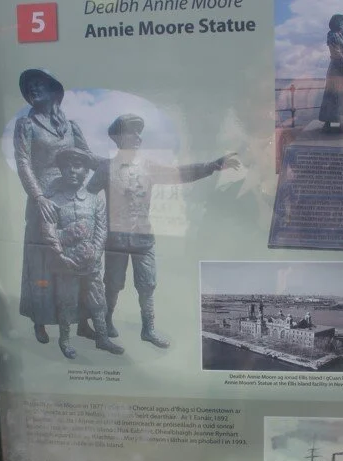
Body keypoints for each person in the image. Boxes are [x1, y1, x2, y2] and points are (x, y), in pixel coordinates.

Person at [88, 114, 239, 348]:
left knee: (147, 285)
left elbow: (179, 173)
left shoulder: (148, 167)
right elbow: (87, 196)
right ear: (118, 137)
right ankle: (107, 321)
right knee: (113, 283)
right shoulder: (106, 168)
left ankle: (148, 329)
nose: (137, 136)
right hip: (115, 239)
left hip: (143, 239)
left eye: (139, 132)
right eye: (131, 132)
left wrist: (212, 166)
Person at [13, 69, 99, 345]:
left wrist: (117, 165)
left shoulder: (71, 126)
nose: (33, 89)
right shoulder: (26, 125)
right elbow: (23, 163)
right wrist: (39, 198)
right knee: (41, 260)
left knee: (79, 252)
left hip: (72, 195)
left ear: (53, 90)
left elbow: (89, 158)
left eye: (39, 84)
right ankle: (39, 320)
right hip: (44, 198)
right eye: (29, 86)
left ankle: (82, 321)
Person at [39, 147, 123, 358]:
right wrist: (63, 252)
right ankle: (65, 340)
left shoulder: (95, 201)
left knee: (98, 301)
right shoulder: (52, 200)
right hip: (65, 264)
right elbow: (48, 232)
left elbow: (101, 231)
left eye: (78, 166)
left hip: (91, 264)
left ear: (86, 171)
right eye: (66, 166)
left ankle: (102, 338)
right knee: (67, 302)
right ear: (61, 170)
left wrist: (95, 253)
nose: (72, 170)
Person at [318, 14, 343, 131]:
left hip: (342, 66)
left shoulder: (342, 36)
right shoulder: (332, 35)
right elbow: (337, 53)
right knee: (332, 95)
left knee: (342, 95)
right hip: (336, 68)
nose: (341, 23)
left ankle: (342, 123)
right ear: (333, 23)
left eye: (342, 21)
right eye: (338, 21)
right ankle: (328, 123)